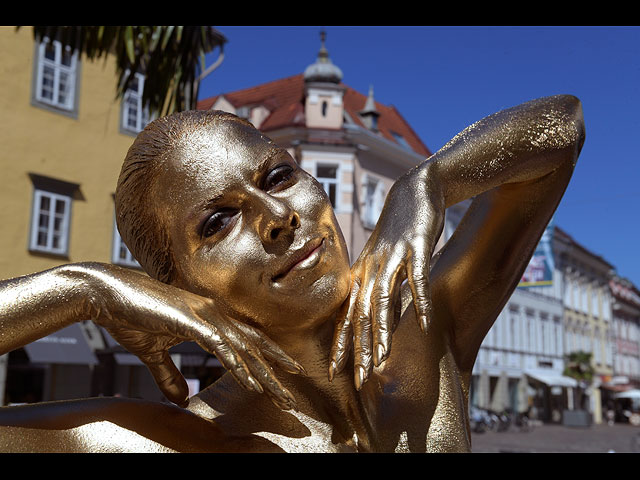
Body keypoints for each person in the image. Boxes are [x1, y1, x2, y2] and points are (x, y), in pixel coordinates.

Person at [0, 95, 585, 452]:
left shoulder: (421, 335)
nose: (278, 218)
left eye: (278, 177)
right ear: (175, 291)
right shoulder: (182, 440)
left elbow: (563, 124)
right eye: (219, 221)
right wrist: (81, 290)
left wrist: (428, 181)